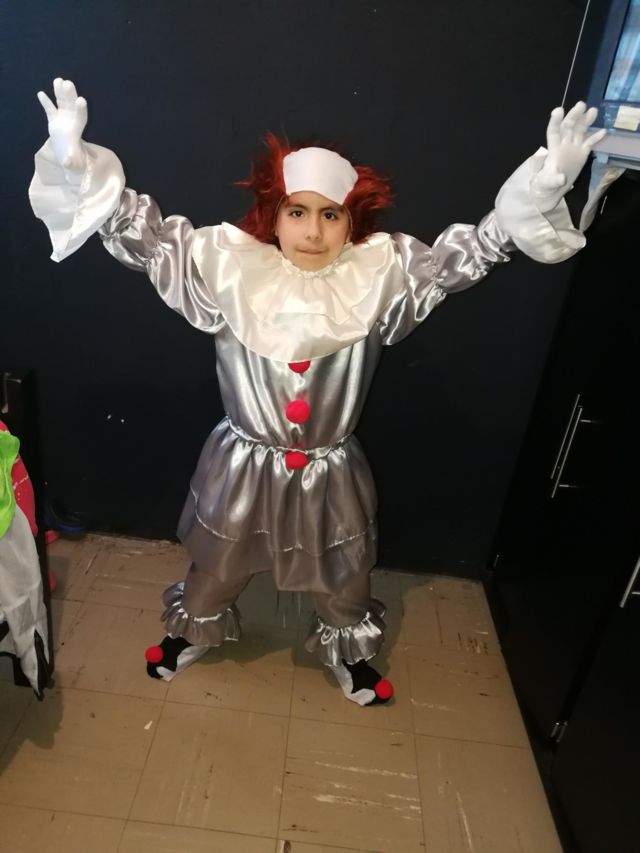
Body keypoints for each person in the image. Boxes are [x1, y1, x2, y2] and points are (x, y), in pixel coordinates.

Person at [30, 78, 605, 706]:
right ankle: (192, 629)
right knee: (219, 561)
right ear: (273, 216)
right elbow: (147, 241)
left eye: (330, 215)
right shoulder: (227, 269)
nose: (312, 230)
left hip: (330, 466)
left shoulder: (379, 277)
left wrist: (538, 190)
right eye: (297, 212)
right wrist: (77, 166)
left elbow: (461, 258)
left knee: (343, 570)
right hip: (243, 461)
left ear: (351, 222)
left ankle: (349, 650)